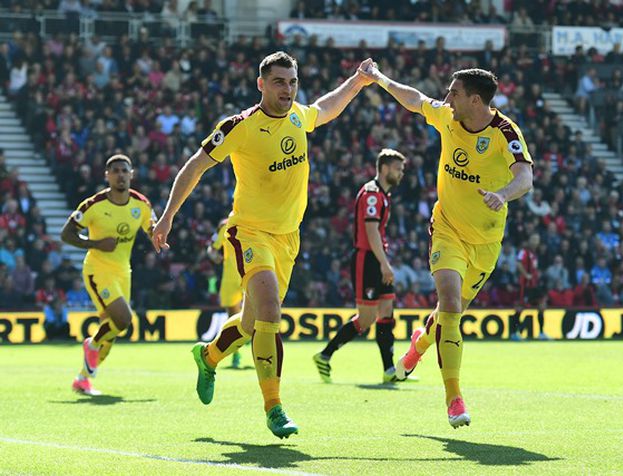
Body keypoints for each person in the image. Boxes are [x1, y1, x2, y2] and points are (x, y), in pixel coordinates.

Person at [151, 51, 373, 438]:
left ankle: (208, 356)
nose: (287, 89)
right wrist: (169, 215)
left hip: (288, 236)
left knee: (254, 324)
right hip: (248, 232)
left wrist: (357, 81)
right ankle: (274, 407)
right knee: (270, 311)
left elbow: (325, 108)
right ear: (261, 84)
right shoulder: (240, 126)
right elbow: (195, 165)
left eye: (292, 82)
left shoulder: (297, 116)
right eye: (278, 82)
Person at [359, 61, 533, 428]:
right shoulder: (447, 117)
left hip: (486, 239)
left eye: (454, 92)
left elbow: (525, 176)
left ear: (474, 99)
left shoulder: (505, 132)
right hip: (447, 228)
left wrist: (503, 195)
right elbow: (415, 99)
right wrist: (380, 78)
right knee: (450, 304)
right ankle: (453, 397)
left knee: (448, 315)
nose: (447, 97)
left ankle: (419, 345)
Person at [61, 155, 156, 396]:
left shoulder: (141, 204)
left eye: (124, 170)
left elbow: (152, 228)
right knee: (123, 319)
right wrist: (95, 243)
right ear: (107, 176)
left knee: (112, 331)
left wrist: (159, 235)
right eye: (115, 171)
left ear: (131, 174)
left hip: (124, 271)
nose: (120, 175)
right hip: (97, 269)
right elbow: (67, 234)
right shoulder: (94, 204)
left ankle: (83, 379)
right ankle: (91, 345)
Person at [313, 148, 406, 384]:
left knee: (386, 313)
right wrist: (384, 264)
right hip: (368, 260)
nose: (401, 173)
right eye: (397, 169)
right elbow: (371, 230)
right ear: (384, 169)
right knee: (366, 319)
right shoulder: (373, 194)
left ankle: (389, 370)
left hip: (377, 258)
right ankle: (325, 355)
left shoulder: (383, 194)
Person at [207, 217, 244, 369]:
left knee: (255, 317)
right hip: (230, 277)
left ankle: (261, 356)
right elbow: (212, 248)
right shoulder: (224, 225)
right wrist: (213, 255)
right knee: (233, 319)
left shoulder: (255, 220)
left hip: (250, 273)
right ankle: (236, 354)